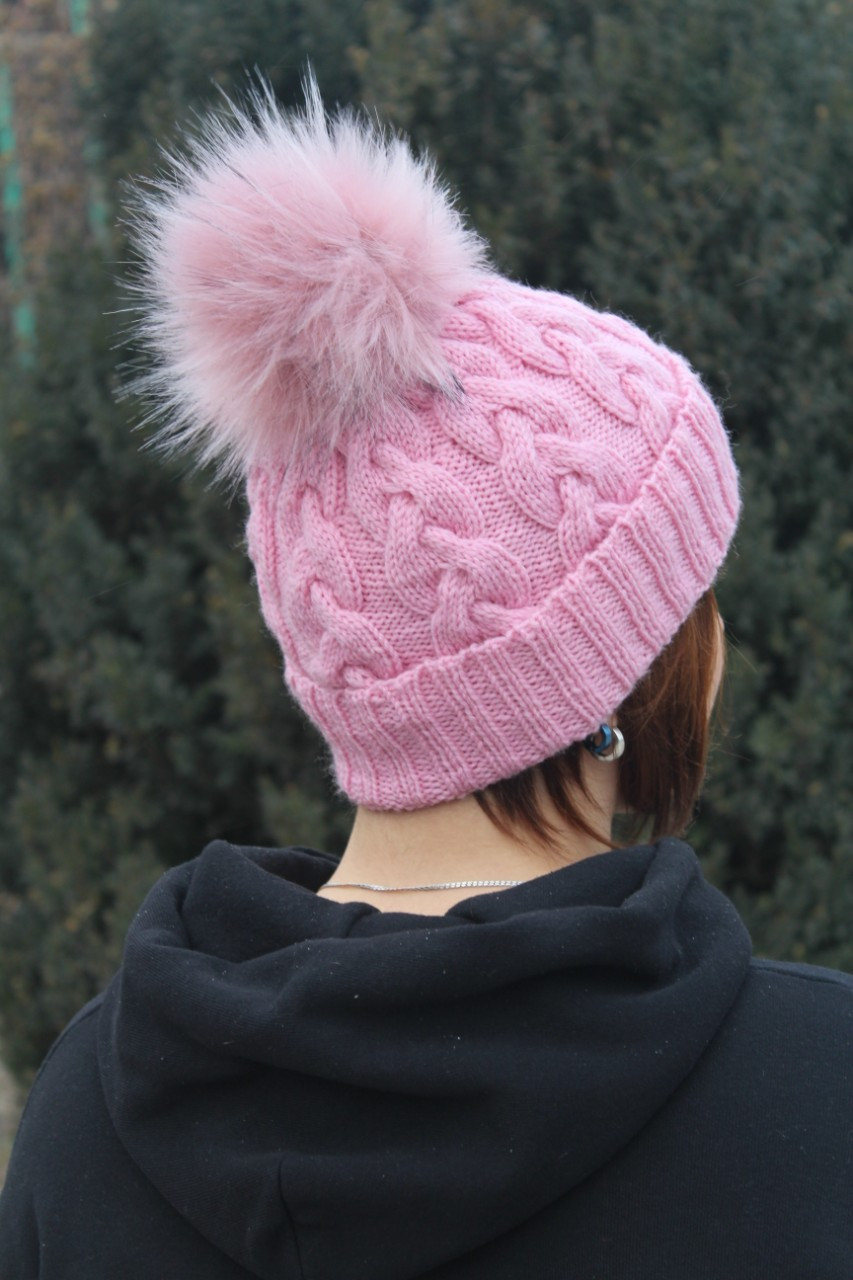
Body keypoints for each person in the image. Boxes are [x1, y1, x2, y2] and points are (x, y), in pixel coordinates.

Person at [0, 76, 850, 1280]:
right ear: (610, 674)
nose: (720, 642)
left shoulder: (90, 1114)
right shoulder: (814, 1094)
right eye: (696, 593)